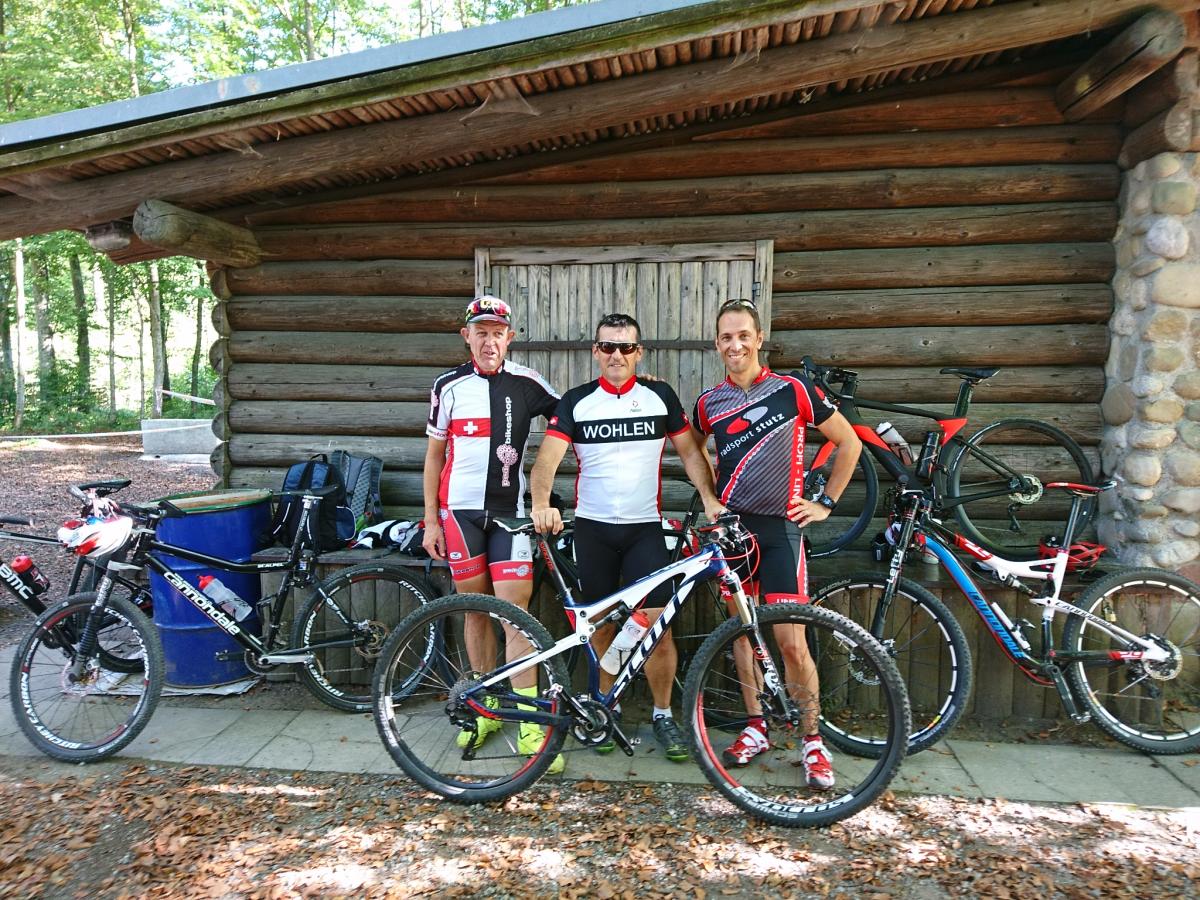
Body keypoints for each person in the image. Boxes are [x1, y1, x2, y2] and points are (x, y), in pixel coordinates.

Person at [530, 312, 725, 763]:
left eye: (626, 347)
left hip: (643, 530)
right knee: (600, 626)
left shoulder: (659, 396)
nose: (616, 354)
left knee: (656, 626)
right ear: (595, 352)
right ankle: (607, 706)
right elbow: (546, 461)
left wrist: (710, 498)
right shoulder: (576, 402)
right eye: (608, 346)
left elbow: (690, 453)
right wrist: (541, 502)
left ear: (639, 352)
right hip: (593, 530)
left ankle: (662, 714)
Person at [691, 297, 862, 789]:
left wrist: (826, 502)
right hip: (734, 532)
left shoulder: (794, 390)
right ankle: (756, 726)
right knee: (743, 636)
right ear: (717, 343)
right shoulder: (708, 402)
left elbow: (849, 442)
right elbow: (692, 448)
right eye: (727, 337)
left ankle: (812, 740)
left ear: (759, 339)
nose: (735, 344)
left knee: (791, 641)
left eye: (743, 335)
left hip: (781, 529)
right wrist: (709, 498)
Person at [423, 295, 564, 774]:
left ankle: (528, 719)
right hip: (459, 515)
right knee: (475, 611)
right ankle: (483, 708)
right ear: (467, 336)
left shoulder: (528, 382)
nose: (489, 341)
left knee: (515, 616)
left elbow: (571, 418)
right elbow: (434, 457)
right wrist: (430, 520)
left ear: (510, 338)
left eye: (497, 333)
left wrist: (630, 387)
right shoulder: (447, 385)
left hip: (510, 515)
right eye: (480, 332)